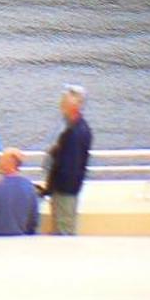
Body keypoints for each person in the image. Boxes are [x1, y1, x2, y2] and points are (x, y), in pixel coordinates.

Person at [43, 85, 93, 236]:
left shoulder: (76, 133)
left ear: (73, 108)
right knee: (62, 227)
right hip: (66, 189)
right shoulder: (76, 130)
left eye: (63, 105)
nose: (61, 109)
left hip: (65, 190)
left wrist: (52, 186)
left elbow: (70, 167)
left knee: (64, 230)